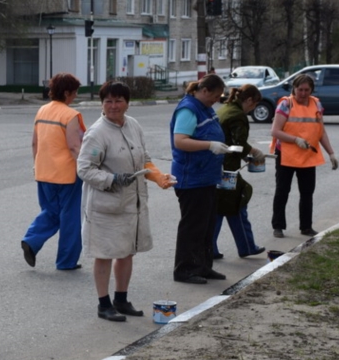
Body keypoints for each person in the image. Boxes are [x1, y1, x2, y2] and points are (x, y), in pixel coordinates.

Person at [77, 81, 176, 321]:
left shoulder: (133, 125)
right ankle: (104, 304)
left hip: (132, 204)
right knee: (105, 253)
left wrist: (158, 177)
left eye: (118, 100)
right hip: (105, 206)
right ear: (102, 104)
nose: (113, 106)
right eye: (108, 101)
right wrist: (112, 179)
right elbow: (84, 169)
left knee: (126, 252)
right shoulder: (97, 132)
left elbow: (145, 160)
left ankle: (121, 299)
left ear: (127, 103)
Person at [20, 73, 86, 270]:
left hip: (44, 172)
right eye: (74, 93)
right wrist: (88, 170)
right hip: (67, 174)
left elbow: (34, 143)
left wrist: (36, 164)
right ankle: (67, 261)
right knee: (70, 218)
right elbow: (75, 147)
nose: (75, 96)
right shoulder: (70, 115)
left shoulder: (42, 111)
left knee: (50, 211)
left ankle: (31, 240)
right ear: (67, 92)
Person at [170, 74, 229, 285]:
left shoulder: (204, 107)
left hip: (207, 176)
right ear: (204, 91)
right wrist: (210, 146)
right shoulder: (188, 109)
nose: (215, 101)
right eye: (214, 97)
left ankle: (203, 266)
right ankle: (185, 269)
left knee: (206, 226)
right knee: (193, 226)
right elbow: (180, 141)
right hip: (191, 177)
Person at [270, 73, 338, 238]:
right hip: (286, 154)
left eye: (307, 90)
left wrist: (331, 153)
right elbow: (275, 131)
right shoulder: (286, 104)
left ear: (311, 90)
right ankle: (278, 226)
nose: (303, 93)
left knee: (307, 192)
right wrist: (295, 140)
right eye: (300, 89)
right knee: (282, 191)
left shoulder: (316, 104)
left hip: (308, 154)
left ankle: (306, 227)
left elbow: (320, 131)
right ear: (294, 88)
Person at [213, 84, 266, 259]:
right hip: (228, 169)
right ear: (249, 100)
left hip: (217, 165)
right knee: (237, 204)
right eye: (255, 104)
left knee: (221, 208)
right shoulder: (238, 116)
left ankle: (211, 247)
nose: (254, 108)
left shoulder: (225, 109)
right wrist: (253, 152)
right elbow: (239, 144)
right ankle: (246, 246)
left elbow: (229, 140)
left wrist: (244, 155)